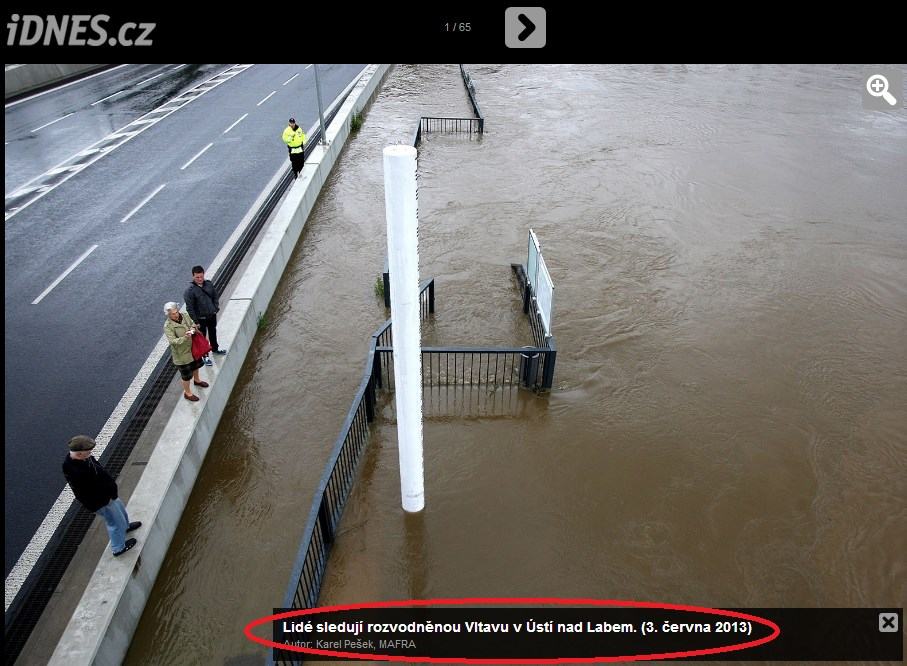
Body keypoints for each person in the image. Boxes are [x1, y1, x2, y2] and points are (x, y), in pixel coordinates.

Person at [63, 435, 142, 557]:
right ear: (79, 454)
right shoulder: (77, 471)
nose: (90, 454)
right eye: (88, 452)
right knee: (115, 522)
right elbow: (90, 489)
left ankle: (125, 527)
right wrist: (107, 497)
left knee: (120, 511)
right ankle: (118, 548)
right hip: (102, 501)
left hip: (109, 496)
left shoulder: (81, 460)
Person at [164, 301, 209, 402]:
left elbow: (192, 323)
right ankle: (187, 393)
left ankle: (197, 381)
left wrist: (193, 328)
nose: (175, 315)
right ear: (168, 315)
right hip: (182, 355)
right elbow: (172, 341)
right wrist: (185, 337)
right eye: (172, 314)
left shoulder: (184, 315)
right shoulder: (168, 326)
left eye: (176, 312)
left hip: (193, 348)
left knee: (196, 366)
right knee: (186, 376)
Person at [183, 265, 227, 366]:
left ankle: (215, 349)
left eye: (201, 276)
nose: (199, 279)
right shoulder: (189, 292)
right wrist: (196, 321)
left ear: (204, 275)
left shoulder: (209, 284)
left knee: (213, 332)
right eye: (197, 277)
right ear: (193, 276)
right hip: (200, 319)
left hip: (211, 315)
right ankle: (205, 357)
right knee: (202, 338)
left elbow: (215, 296)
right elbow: (190, 308)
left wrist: (215, 308)